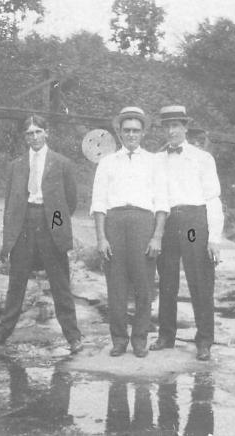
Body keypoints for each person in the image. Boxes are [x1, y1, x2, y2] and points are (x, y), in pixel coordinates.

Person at [0, 115, 83, 354]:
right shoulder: (16, 165)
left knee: (60, 284)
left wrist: (55, 223)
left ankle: (73, 337)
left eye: (38, 131)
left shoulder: (62, 163)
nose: (34, 137)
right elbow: (11, 202)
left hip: (51, 221)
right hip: (24, 223)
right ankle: (2, 333)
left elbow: (70, 202)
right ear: (24, 137)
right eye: (29, 133)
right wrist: (11, 234)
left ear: (47, 133)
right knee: (16, 283)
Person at [90, 107, 167, 358]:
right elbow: (99, 203)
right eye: (127, 130)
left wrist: (157, 235)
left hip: (143, 223)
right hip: (114, 223)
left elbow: (162, 203)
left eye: (136, 130)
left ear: (143, 132)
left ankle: (140, 339)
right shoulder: (107, 162)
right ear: (119, 133)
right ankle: (119, 340)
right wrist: (101, 238)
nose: (131, 135)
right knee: (116, 286)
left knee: (144, 285)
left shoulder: (155, 162)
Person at [150, 105, 223, 361]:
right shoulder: (156, 159)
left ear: (185, 127)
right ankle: (166, 336)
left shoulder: (202, 158)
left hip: (193, 223)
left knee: (199, 280)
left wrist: (214, 238)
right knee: (167, 280)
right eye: (167, 126)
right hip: (167, 221)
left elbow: (213, 199)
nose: (171, 131)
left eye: (176, 126)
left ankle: (204, 340)